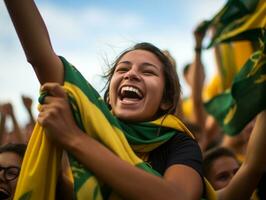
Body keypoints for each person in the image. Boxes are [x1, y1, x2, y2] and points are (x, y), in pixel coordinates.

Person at [4, 1, 203, 199]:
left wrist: (74, 139)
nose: (131, 74)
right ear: (109, 96)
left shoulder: (178, 143)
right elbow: (40, 57)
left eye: (148, 71)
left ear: (166, 100)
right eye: (123, 69)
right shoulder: (92, 121)